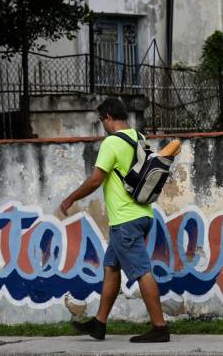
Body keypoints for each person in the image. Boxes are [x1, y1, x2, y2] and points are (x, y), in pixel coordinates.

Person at [59, 98, 170, 343]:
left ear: (108, 117)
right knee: (111, 268)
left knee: (142, 271)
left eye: (101, 120)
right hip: (143, 214)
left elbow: (96, 179)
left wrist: (70, 199)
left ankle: (160, 327)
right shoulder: (138, 139)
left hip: (125, 220)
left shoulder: (112, 142)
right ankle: (99, 324)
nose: (102, 125)